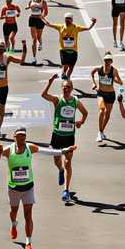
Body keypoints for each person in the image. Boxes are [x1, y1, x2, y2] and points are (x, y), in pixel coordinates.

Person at [5, 126, 76, 249]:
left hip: (28, 187)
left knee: (28, 215)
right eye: (20, 135)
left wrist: (63, 151)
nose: (22, 138)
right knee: (13, 211)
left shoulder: (29, 147)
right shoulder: (8, 150)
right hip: (14, 189)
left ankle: (28, 242)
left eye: (24, 136)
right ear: (14, 137)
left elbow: (47, 151)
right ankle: (14, 224)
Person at [40, 74, 89, 204]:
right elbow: (43, 95)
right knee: (57, 160)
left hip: (69, 136)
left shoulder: (75, 101)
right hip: (57, 135)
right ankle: (60, 170)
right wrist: (50, 81)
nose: (66, 89)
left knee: (68, 162)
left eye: (68, 87)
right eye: (64, 87)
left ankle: (66, 190)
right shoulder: (57, 100)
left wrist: (80, 122)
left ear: (72, 88)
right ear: (61, 88)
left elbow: (85, 113)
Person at [45, 12, 96, 80]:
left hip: (73, 50)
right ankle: (63, 74)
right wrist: (42, 18)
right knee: (65, 65)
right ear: (64, 19)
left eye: (69, 19)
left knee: (71, 67)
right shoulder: (60, 27)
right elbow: (49, 24)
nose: (68, 20)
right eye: (66, 18)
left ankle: (68, 77)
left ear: (72, 19)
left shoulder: (76, 27)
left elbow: (88, 28)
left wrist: (93, 23)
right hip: (63, 50)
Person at [90, 52, 124, 143]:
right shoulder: (99, 69)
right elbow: (92, 73)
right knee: (102, 110)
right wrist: (94, 83)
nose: (107, 62)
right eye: (106, 60)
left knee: (107, 114)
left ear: (111, 61)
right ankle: (100, 132)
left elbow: (120, 83)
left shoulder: (114, 70)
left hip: (110, 94)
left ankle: (101, 131)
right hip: (101, 93)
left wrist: (120, 91)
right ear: (104, 60)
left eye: (109, 60)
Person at [26, 0, 48, 64]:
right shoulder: (31, 0)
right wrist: (28, 7)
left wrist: (42, 15)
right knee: (34, 39)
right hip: (32, 19)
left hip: (40, 20)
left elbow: (46, 12)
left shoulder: (43, 1)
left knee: (38, 37)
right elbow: (28, 5)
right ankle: (34, 58)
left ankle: (41, 43)